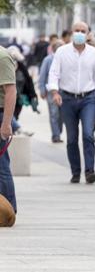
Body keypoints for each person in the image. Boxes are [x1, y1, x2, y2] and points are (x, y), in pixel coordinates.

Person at [47, 22, 95, 184]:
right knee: (72, 138)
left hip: (88, 99)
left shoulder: (94, 53)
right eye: (77, 30)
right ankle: (75, 172)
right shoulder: (61, 51)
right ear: (71, 33)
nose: (79, 33)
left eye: (83, 31)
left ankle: (89, 170)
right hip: (67, 98)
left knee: (88, 134)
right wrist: (54, 92)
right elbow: (54, 73)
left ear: (88, 34)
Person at [0, 46, 17, 214]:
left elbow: (11, 91)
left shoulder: (2, 56)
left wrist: (6, 123)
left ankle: (8, 210)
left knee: (1, 165)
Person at [39, 41, 64, 143]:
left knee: (62, 114)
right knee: (54, 113)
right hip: (51, 91)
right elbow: (42, 75)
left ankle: (58, 131)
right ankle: (56, 135)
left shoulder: (64, 59)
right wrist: (42, 90)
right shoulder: (48, 59)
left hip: (64, 91)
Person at [7, 46, 38, 122]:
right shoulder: (4, 66)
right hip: (5, 98)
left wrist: (33, 96)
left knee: (15, 116)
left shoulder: (21, 67)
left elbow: (29, 81)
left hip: (18, 98)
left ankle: (13, 130)